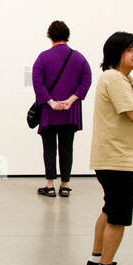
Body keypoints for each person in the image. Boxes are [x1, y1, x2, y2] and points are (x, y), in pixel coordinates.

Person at [87, 32, 133, 265]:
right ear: (117, 54)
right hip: (116, 158)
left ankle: (96, 259)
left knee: (109, 208)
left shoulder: (125, 80)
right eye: (130, 50)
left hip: (113, 157)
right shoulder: (114, 79)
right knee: (118, 216)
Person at [32, 21, 92, 197]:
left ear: (50, 36)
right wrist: (71, 100)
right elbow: (86, 80)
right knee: (67, 148)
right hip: (70, 112)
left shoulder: (43, 57)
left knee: (49, 148)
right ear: (67, 35)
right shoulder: (79, 58)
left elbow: (37, 82)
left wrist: (51, 102)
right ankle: (65, 185)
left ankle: (50, 185)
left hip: (50, 113)